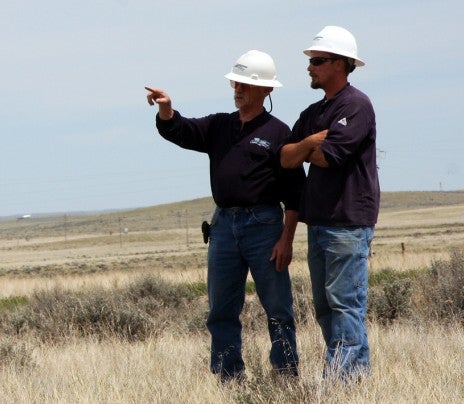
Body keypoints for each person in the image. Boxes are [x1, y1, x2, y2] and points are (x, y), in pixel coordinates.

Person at [146, 50, 304, 381]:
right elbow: (182, 130)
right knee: (221, 310)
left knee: (277, 309)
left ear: (267, 90)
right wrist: (166, 110)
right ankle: (229, 378)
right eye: (236, 81)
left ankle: (285, 376)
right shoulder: (220, 125)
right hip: (223, 227)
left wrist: (286, 239)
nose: (238, 88)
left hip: (264, 228)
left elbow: (294, 194)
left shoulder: (279, 133)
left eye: (246, 83)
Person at [280, 26, 379, 381]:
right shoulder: (313, 113)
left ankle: (334, 385)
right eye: (311, 61)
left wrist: (308, 149)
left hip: (348, 223)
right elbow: (287, 157)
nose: (310, 67)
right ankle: (356, 382)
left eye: (318, 61)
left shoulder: (356, 106)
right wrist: (311, 141)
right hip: (320, 222)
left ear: (341, 64)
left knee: (344, 306)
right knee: (327, 309)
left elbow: (329, 158)